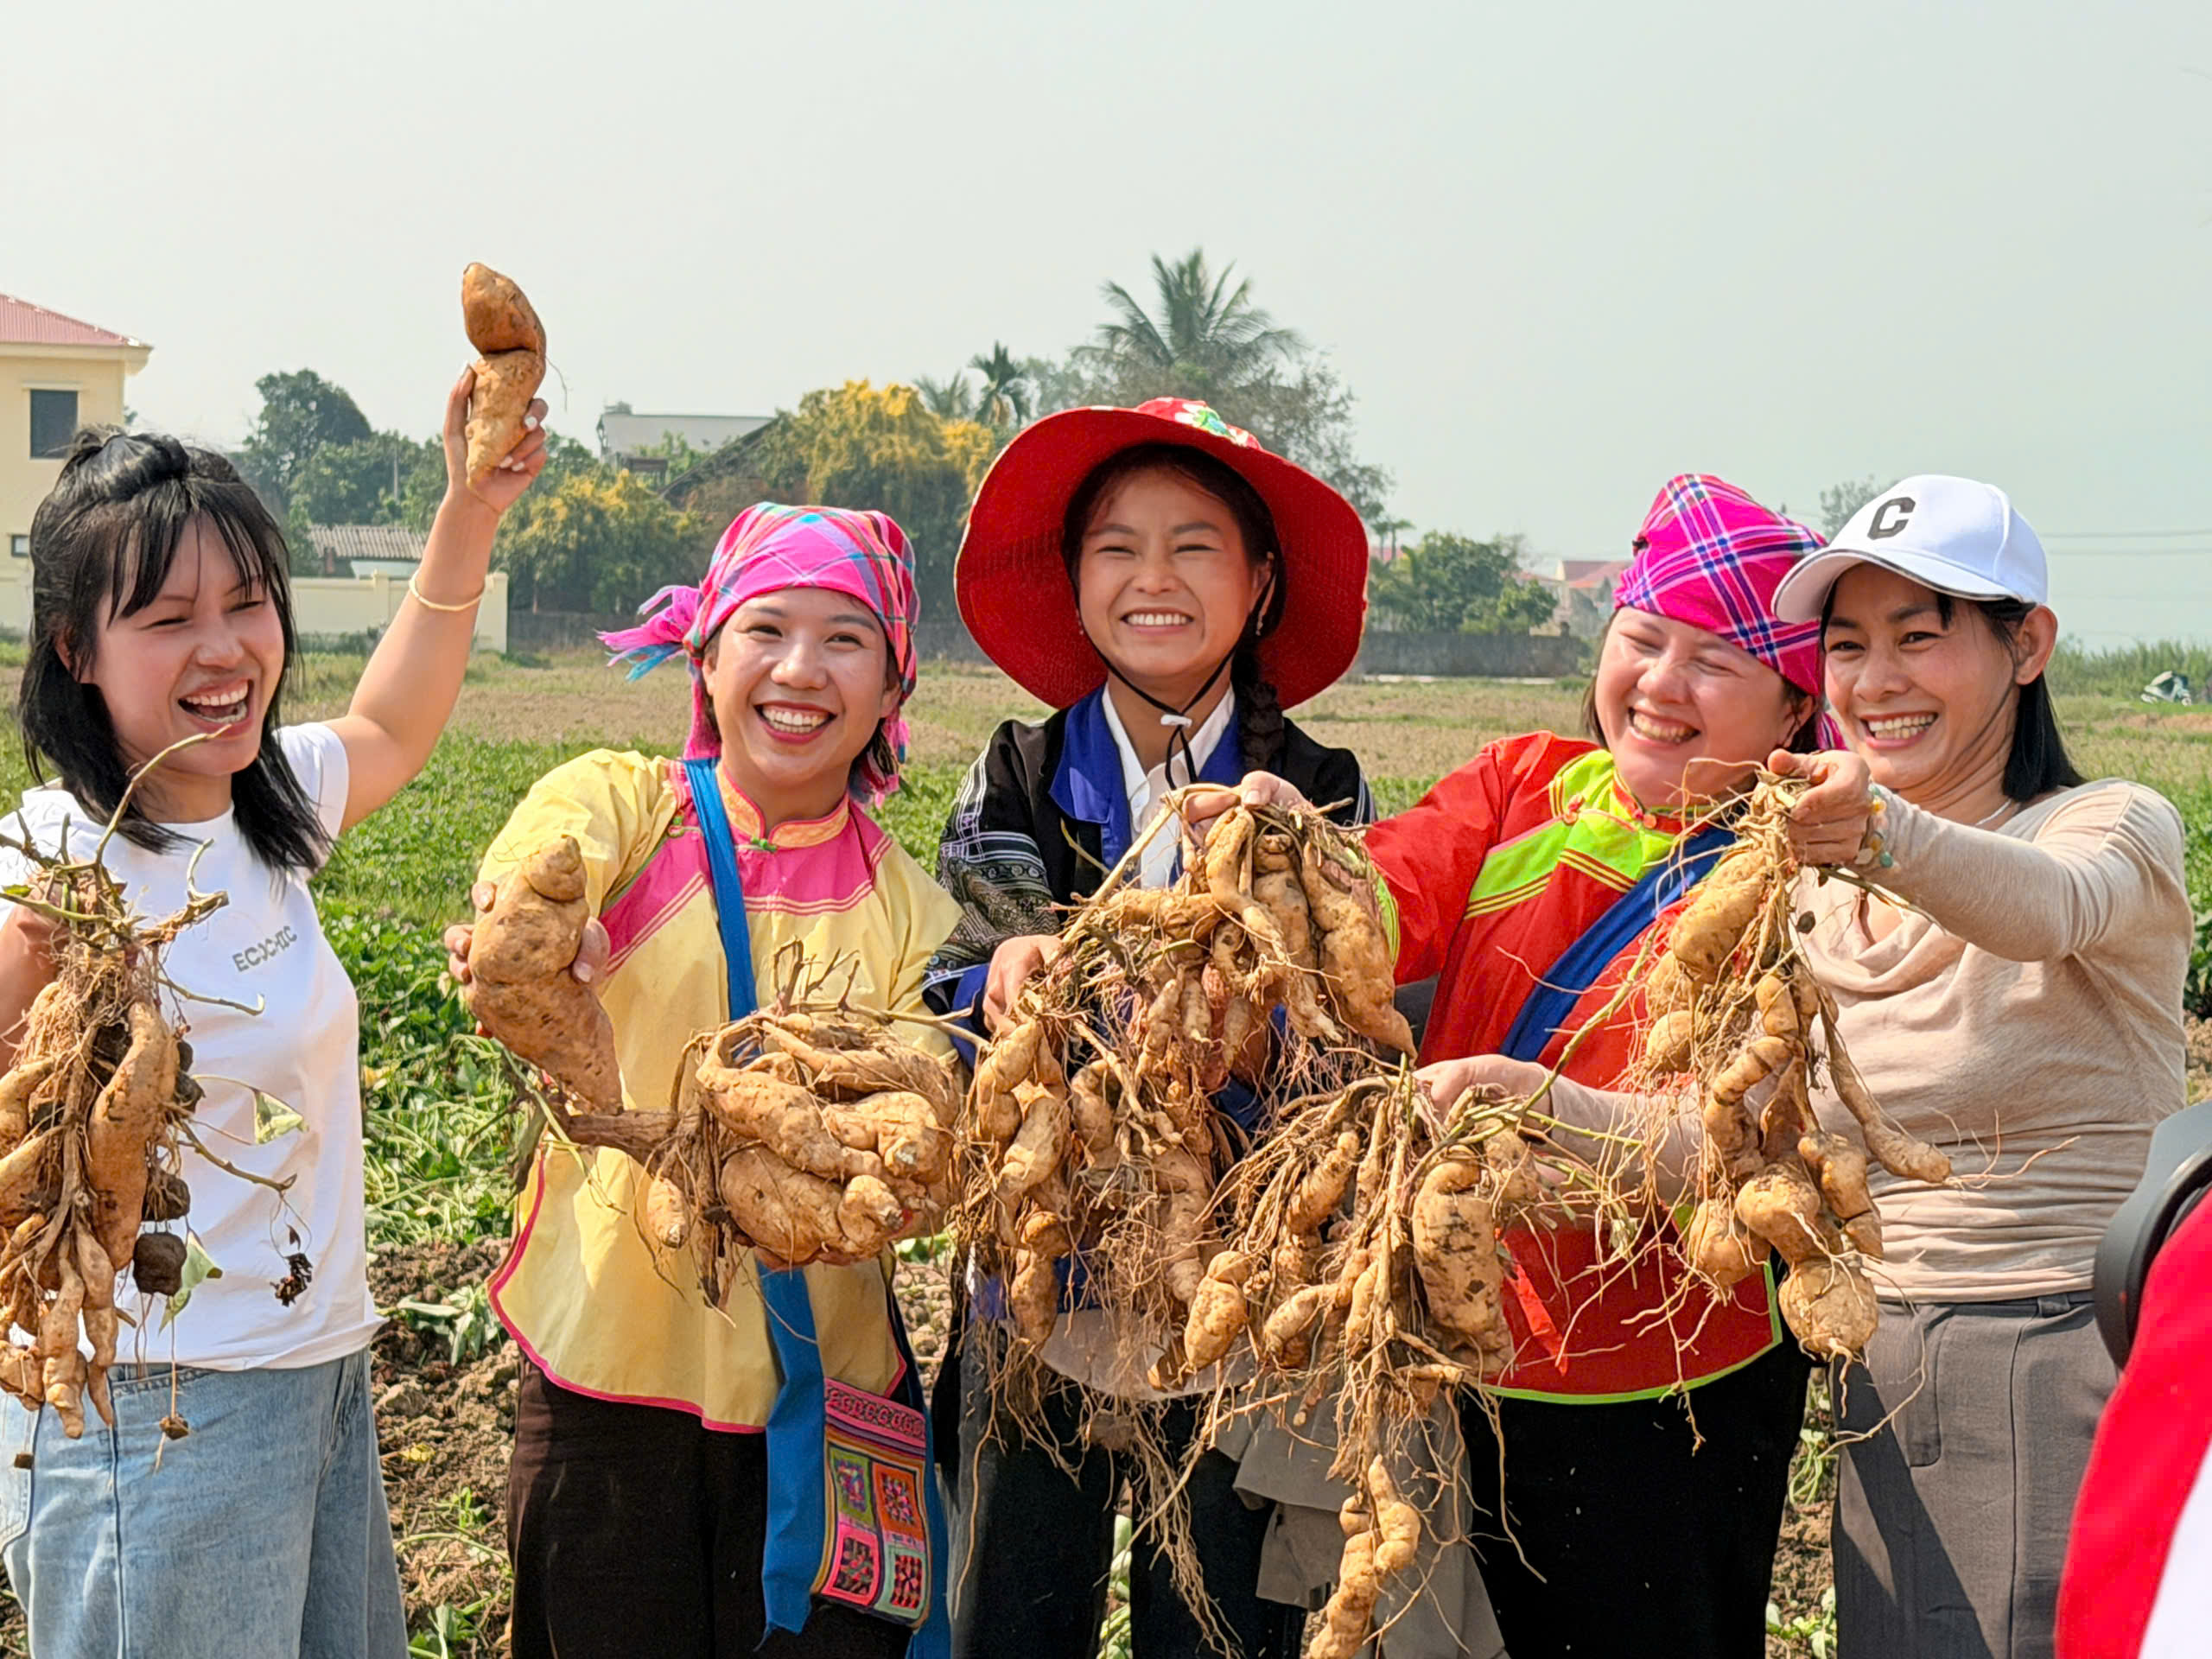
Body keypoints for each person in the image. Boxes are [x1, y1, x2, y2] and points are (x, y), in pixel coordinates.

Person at [1215, 474, 1827, 1659]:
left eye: (1713, 661)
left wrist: (1549, 1115)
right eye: (1642, 639)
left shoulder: (1802, 880)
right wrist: (1294, 859)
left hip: (1678, 1395)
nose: (1658, 684)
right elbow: (1376, 904)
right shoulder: (1521, 786)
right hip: (1461, 1362)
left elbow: (1740, 1144)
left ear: (1796, 708)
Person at [0, 375, 548, 1656]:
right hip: (157, 1416)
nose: (227, 648)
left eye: (248, 605)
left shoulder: (267, 805)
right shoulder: (46, 871)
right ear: (76, 648)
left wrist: (468, 510)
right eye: (171, 617)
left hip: (318, 1373)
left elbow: (394, 719)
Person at [442, 503, 961, 1659]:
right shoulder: (631, 809)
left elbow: (922, 1127)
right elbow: (545, 856)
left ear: (891, 686)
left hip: (828, 1410)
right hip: (608, 1389)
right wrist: (536, 927)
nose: (799, 670)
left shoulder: (914, 910)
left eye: (846, 640)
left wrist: (882, 1158)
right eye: (767, 629)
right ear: (707, 655)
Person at [927, 398, 1373, 1659]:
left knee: (1226, 1623)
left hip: (1243, 1286)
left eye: (1195, 547)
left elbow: (1354, 1000)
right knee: (1010, 1610)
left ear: (1261, 582)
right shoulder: (1014, 771)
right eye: (1117, 548)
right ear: (1075, 585)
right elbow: (953, 966)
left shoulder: (1322, 789)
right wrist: (1006, 970)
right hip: (1038, 1276)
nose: (1154, 579)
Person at [1764, 476, 2191, 1659]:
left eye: (1918, 638)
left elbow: (2047, 912)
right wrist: (1524, 1112)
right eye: (1847, 648)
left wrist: (1878, 832)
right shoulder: (1812, 890)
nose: (1874, 683)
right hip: (1885, 1368)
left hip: (2066, 1344)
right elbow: (1740, 1134)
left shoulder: (2109, 826)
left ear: (2028, 645)